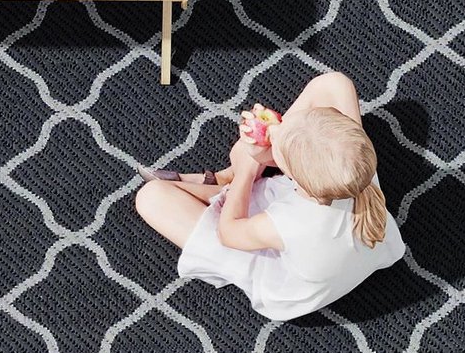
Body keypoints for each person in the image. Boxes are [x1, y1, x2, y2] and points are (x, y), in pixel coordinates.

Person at [133, 71, 405, 321]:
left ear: (292, 175)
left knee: (150, 197)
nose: (276, 130)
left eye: (279, 150)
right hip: (338, 246)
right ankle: (220, 181)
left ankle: (226, 181)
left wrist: (247, 171)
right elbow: (336, 86)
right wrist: (267, 154)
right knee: (335, 84)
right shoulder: (356, 166)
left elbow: (229, 233)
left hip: (288, 279)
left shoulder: (288, 222)